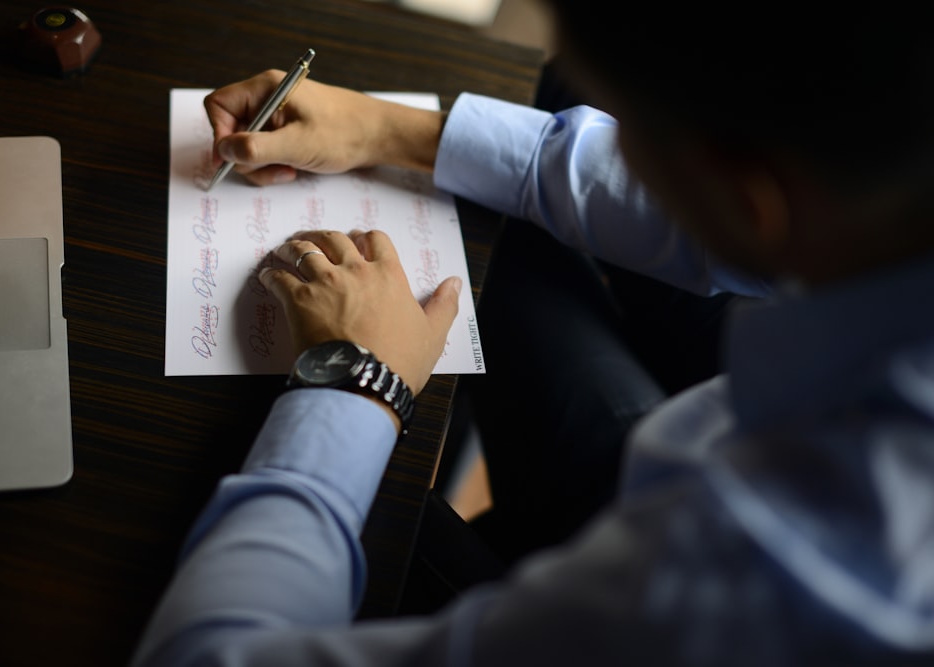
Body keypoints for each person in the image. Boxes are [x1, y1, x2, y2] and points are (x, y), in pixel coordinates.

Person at [131, 3, 934, 665]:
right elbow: (716, 212)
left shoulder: (763, 568)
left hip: (659, 550)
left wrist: (355, 379)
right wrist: (392, 132)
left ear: (752, 202)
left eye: (635, 132)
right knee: (493, 203)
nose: (616, 142)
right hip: (728, 420)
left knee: (247, 461)